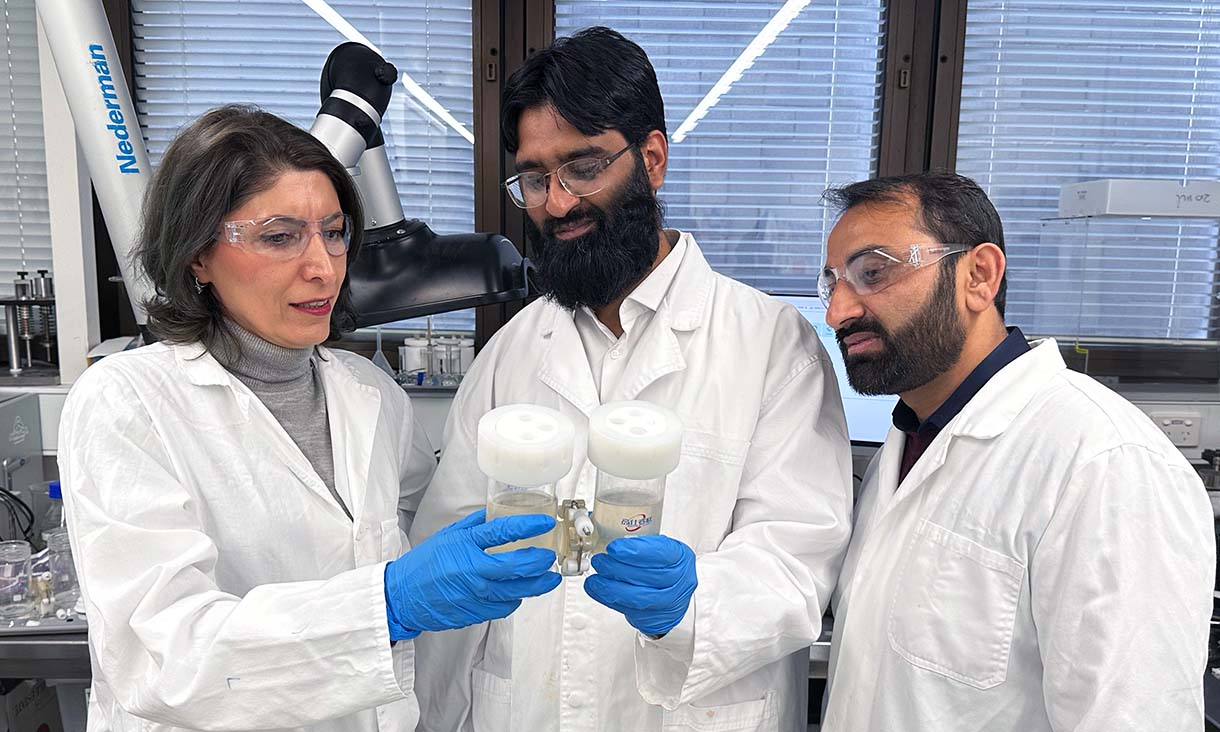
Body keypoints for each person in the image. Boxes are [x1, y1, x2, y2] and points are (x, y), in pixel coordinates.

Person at [56, 105, 561, 732]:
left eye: (334, 231)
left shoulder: (370, 394)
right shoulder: (126, 403)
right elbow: (164, 656)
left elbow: (416, 538)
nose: (323, 266)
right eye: (280, 236)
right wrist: (388, 603)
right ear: (197, 257)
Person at [409, 27, 853, 732]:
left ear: (651, 158)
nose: (556, 203)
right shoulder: (512, 352)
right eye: (534, 177)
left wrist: (695, 602)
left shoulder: (773, 346)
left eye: (584, 167)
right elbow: (451, 574)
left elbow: (797, 564)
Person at [818, 171, 1215, 731]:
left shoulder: (1105, 463)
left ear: (978, 276)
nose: (838, 312)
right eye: (831, 282)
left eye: (873, 272)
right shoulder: (908, 443)